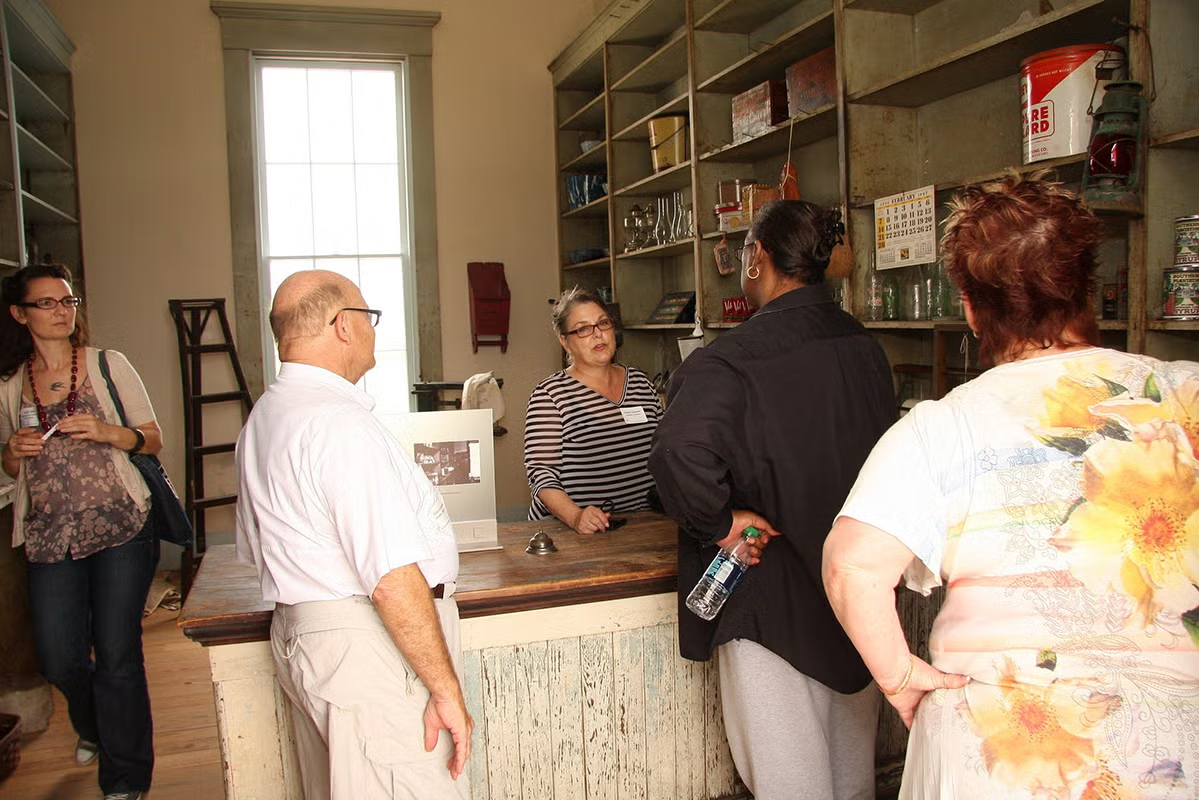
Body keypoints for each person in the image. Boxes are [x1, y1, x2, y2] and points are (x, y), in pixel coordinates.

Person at [823, 174, 1199, 798]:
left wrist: (898, 677)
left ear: (971, 309)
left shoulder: (943, 427)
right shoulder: (1186, 395)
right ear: (1086, 288)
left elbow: (850, 569)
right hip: (1172, 740)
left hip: (1000, 747)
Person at [650, 200, 896, 800]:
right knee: (852, 779)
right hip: (857, 600)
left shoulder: (733, 359)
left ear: (756, 258)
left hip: (772, 600)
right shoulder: (865, 348)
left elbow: (677, 453)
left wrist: (720, 523)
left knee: (790, 784)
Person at [235, 270, 472, 799]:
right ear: (343, 325)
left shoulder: (265, 418)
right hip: (365, 649)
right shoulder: (338, 423)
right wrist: (445, 688)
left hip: (312, 639)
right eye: (370, 318)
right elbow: (390, 579)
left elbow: (256, 552)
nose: (372, 332)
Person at [0, 264, 162, 800]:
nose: (61, 311)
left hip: (121, 525)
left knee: (117, 654)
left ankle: (126, 778)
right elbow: (9, 467)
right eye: (45, 303)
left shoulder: (106, 365)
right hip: (49, 535)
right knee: (59, 656)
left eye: (66, 301)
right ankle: (94, 726)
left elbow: (152, 438)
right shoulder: (8, 386)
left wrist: (106, 431)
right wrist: (12, 453)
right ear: (19, 314)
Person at [524, 287, 660, 534]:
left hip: (638, 527)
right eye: (584, 329)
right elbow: (541, 475)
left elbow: (664, 451)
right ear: (565, 341)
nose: (598, 335)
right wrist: (576, 517)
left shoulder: (641, 382)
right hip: (570, 533)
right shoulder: (550, 395)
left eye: (603, 323)